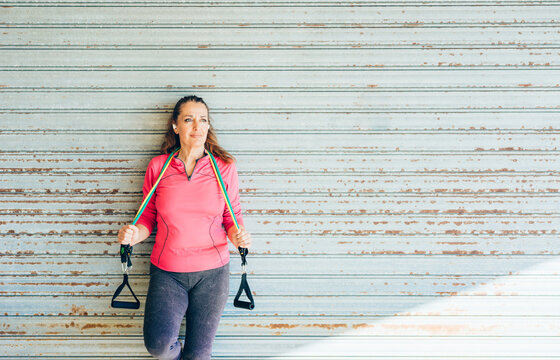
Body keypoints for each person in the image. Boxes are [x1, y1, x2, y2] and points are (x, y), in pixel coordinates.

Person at [117, 95, 252, 360]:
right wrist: (133, 235)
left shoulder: (224, 167)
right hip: (168, 272)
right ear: (175, 126)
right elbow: (147, 218)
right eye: (189, 120)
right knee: (158, 344)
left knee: (199, 355)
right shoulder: (159, 166)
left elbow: (231, 216)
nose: (197, 127)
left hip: (212, 273)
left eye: (203, 120)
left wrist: (238, 236)